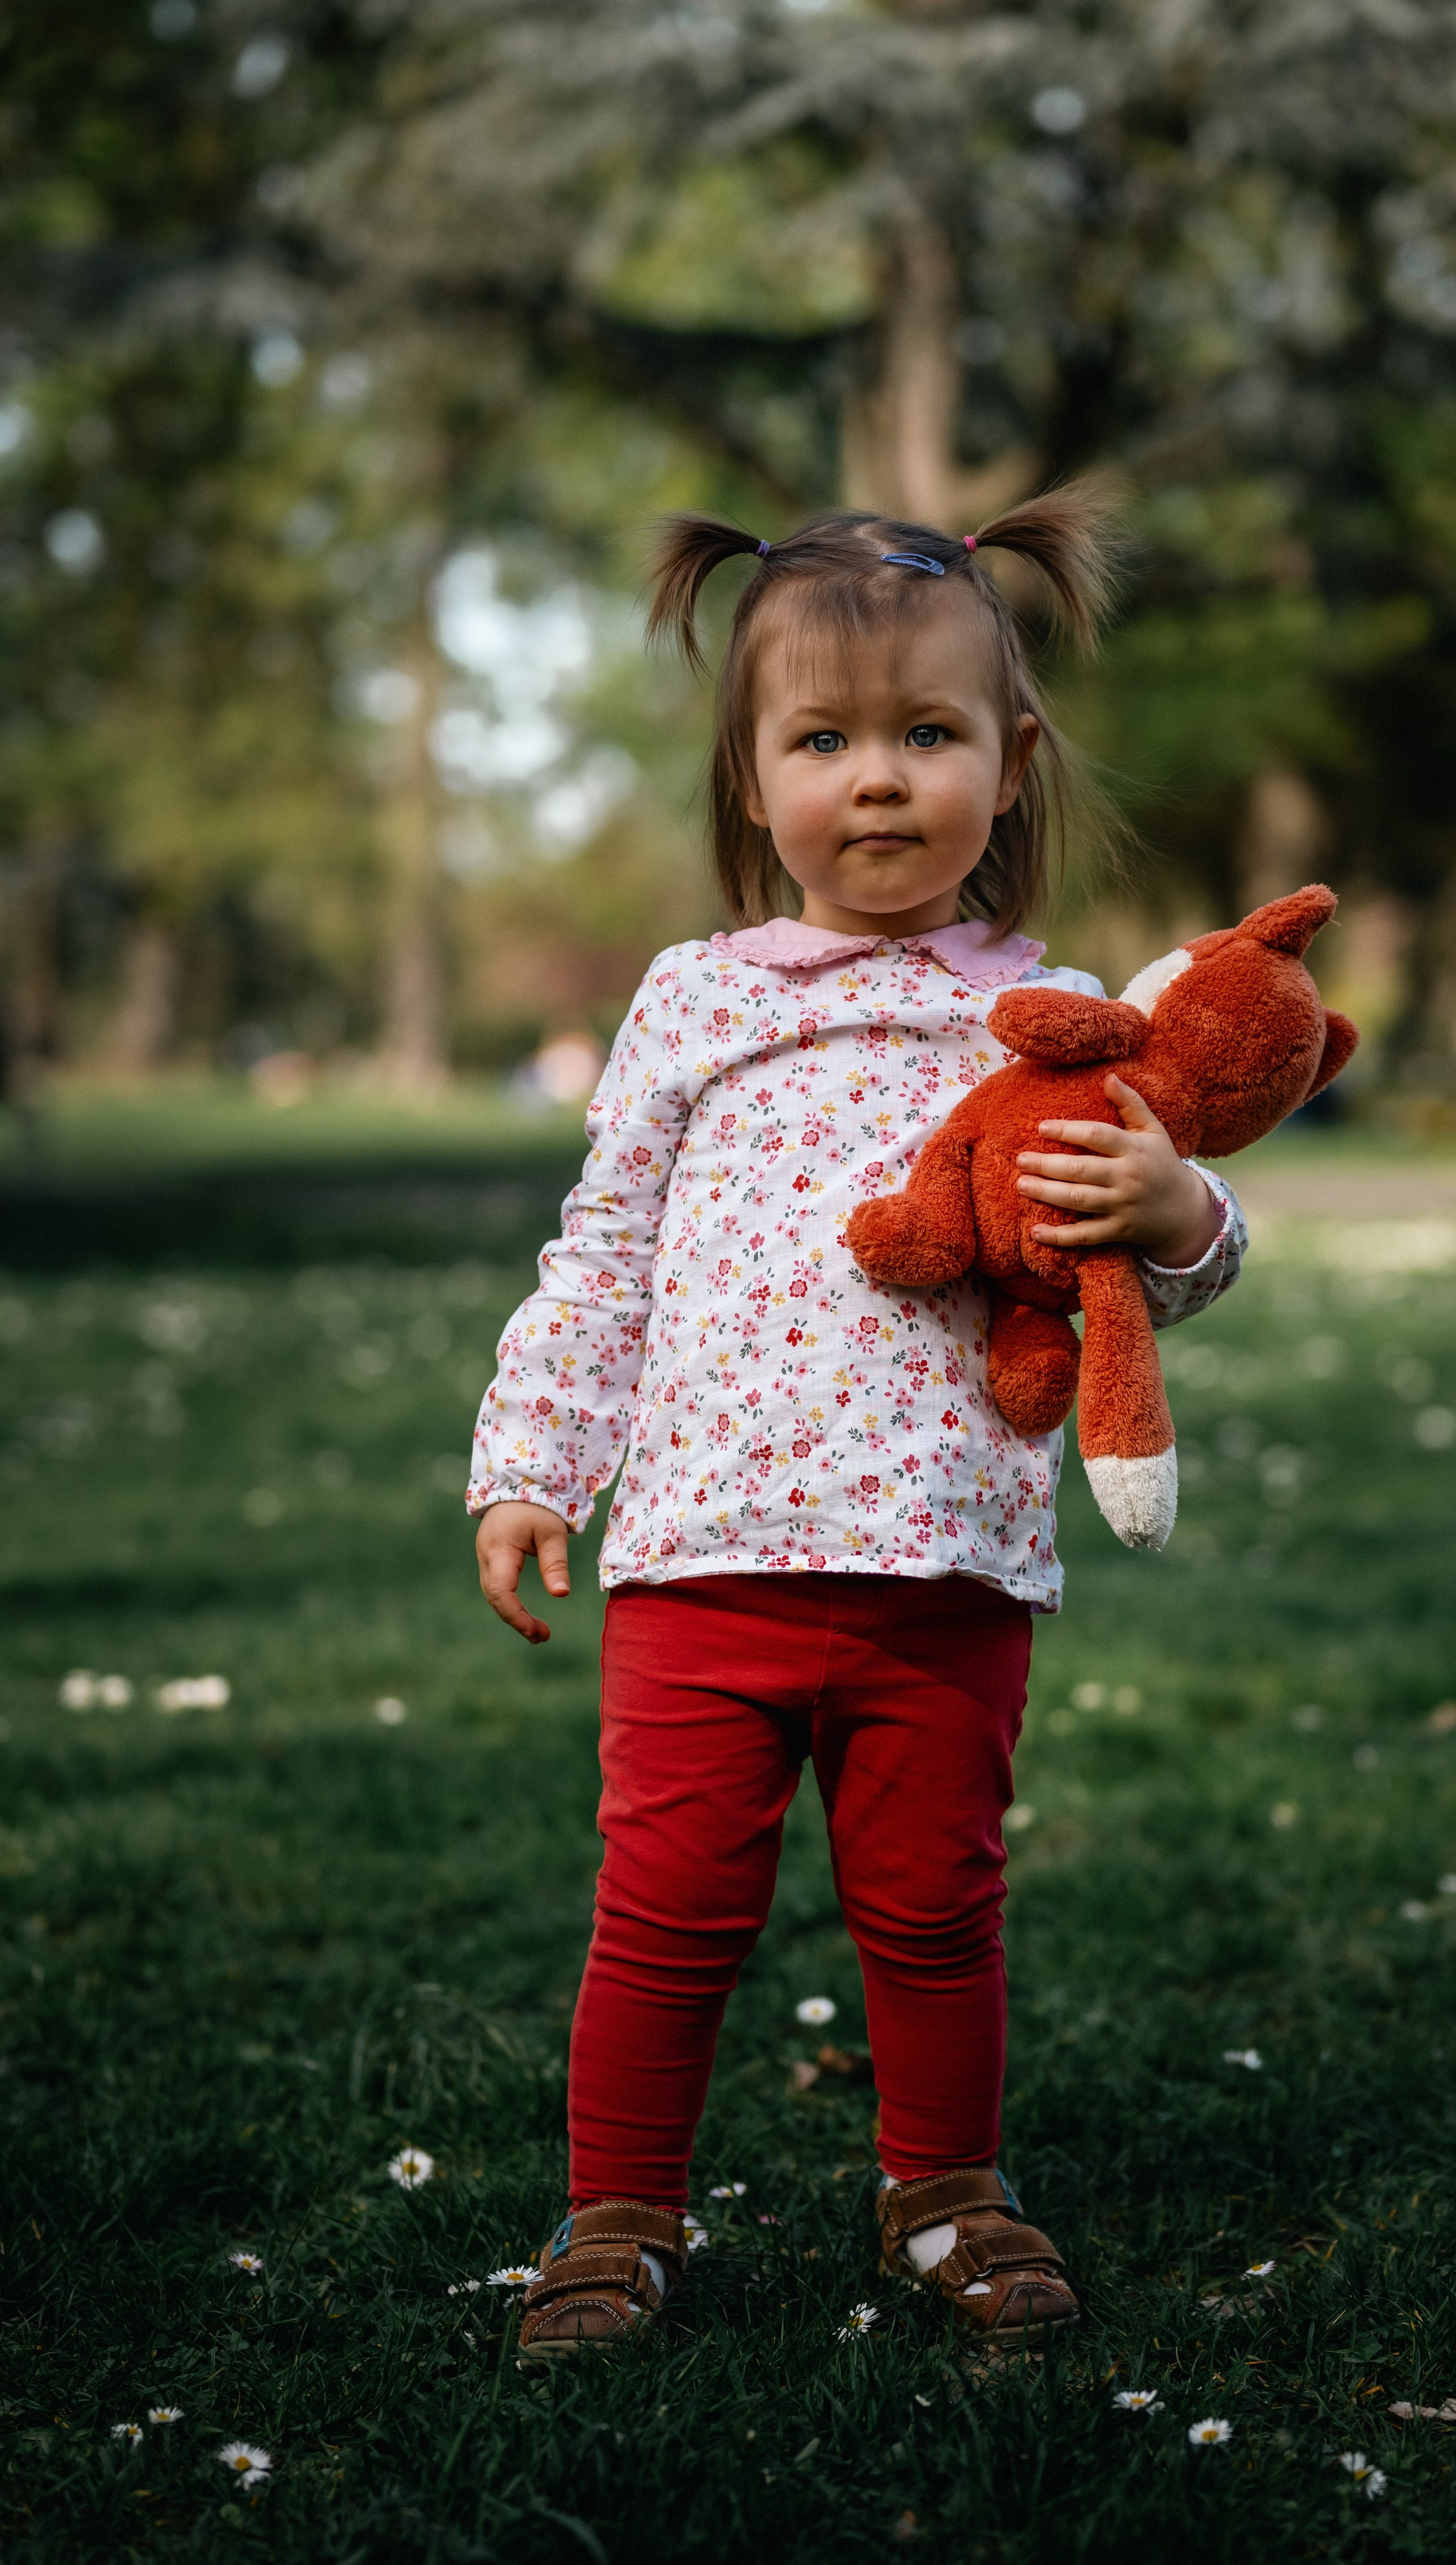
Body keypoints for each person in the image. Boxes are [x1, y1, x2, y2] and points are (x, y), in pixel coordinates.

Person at [468, 492, 1247, 2354]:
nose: (877, 778)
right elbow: (604, 1257)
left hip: (944, 1563)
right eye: (822, 740)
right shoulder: (696, 1001)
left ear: (1011, 762)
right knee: (666, 1909)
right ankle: (616, 2216)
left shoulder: (1056, 1018)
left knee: (933, 1908)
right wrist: (532, 1465)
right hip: (704, 1562)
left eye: (927, 733)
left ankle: (945, 2191)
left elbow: (1146, 1277)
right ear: (753, 784)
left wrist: (1176, 1214)